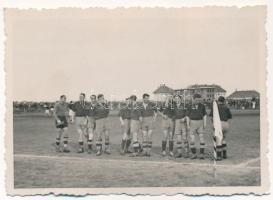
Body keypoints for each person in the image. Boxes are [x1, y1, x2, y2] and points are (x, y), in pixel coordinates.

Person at [209, 96, 232, 160]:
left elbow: (211, 117)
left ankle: (219, 156)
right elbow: (229, 116)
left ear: (218, 101)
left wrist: (213, 124)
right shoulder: (226, 107)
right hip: (226, 124)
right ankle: (224, 154)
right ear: (224, 101)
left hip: (219, 124)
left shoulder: (215, 107)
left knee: (218, 140)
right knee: (223, 139)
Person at [187, 93, 207, 159]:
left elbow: (204, 115)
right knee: (192, 139)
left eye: (199, 100)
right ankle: (194, 154)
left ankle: (201, 154)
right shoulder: (189, 106)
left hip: (200, 123)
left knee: (201, 138)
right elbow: (187, 116)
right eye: (196, 100)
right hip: (192, 122)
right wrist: (188, 125)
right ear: (193, 99)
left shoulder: (202, 106)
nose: (198, 101)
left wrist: (205, 124)